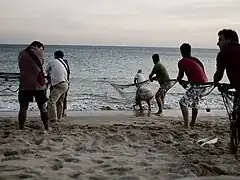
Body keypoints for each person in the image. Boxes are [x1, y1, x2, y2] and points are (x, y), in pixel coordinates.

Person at [18, 41, 48, 130]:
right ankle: (46, 127)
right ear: (37, 46)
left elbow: (20, 66)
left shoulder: (22, 53)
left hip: (24, 84)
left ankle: (21, 128)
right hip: (39, 84)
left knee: (23, 107)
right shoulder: (40, 53)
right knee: (42, 107)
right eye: (41, 48)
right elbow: (41, 64)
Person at [177, 43, 208, 129]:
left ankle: (186, 126)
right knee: (194, 103)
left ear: (181, 52)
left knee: (182, 102)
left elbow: (180, 76)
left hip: (197, 85)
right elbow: (200, 71)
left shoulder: (182, 62)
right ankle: (192, 124)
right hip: (204, 84)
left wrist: (179, 80)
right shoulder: (196, 60)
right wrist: (189, 81)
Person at [213, 29, 240, 116]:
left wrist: (215, 82)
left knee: (236, 117)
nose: (218, 43)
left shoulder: (224, 53)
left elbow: (218, 76)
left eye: (220, 40)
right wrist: (230, 86)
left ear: (228, 40)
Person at [46, 50, 69, 127]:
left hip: (59, 85)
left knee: (51, 102)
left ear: (55, 56)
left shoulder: (52, 62)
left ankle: (53, 119)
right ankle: (59, 117)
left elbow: (47, 71)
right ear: (62, 56)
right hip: (65, 84)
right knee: (60, 102)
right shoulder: (64, 63)